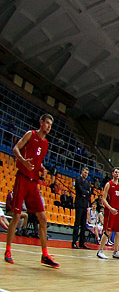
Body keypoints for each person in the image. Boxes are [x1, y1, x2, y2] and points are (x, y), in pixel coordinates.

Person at [4, 113, 59, 268]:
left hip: (33, 183)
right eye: (47, 123)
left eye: (51, 124)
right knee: (16, 216)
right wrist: (23, 161)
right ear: (41, 123)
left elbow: (37, 160)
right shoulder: (30, 134)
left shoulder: (46, 143)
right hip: (22, 178)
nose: (49, 126)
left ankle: (45, 255)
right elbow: (16, 149)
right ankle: (8, 250)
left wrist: (42, 168)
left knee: (43, 218)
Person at [96, 167, 119, 260]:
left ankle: (116, 252)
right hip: (110, 211)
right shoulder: (108, 184)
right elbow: (103, 199)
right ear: (112, 173)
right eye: (116, 172)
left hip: (117, 211)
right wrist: (110, 208)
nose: (117, 174)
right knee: (107, 231)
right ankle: (100, 250)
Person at [72, 166, 92, 249]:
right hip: (79, 204)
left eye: (87, 173)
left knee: (83, 225)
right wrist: (85, 193)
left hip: (85, 204)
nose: (86, 174)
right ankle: (74, 242)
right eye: (85, 172)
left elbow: (89, 193)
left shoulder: (87, 183)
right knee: (77, 223)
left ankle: (82, 242)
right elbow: (80, 190)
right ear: (82, 172)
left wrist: (85, 193)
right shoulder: (78, 180)